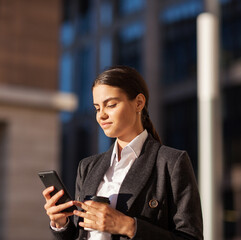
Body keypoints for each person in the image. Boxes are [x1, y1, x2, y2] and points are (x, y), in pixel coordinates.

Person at [42, 66, 203, 240]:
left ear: (139, 103)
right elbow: (80, 236)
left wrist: (128, 226)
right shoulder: (87, 167)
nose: (101, 115)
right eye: (97, 108)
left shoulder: (171, 162)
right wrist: (61, 224)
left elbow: (191, 237)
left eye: (111, 105)